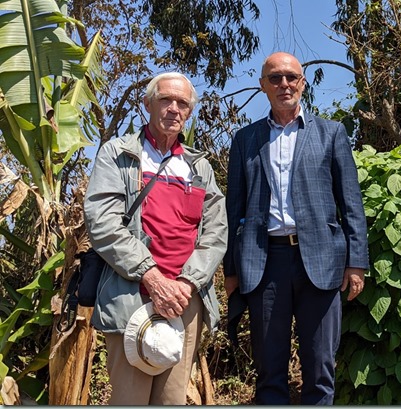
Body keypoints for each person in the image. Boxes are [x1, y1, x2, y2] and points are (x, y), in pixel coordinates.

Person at [223, 52, 369, 405]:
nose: (284, 84)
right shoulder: (245, 140)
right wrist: (231, 269)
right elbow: (234, 209)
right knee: (269, 371)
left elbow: (351, 202)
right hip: (265, 263)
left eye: (291, 77)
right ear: (263, 86)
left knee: (320, 370)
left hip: (321, 263)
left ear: (302, 83)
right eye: (275, 78)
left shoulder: (331, 133)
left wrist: (356, 262)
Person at [83, 72, 227, 405]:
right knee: (129, 400)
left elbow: (216, 231)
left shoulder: (199, 168)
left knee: (172, 400)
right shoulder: (117, 154)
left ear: (189, 112)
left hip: (184, 302)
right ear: (147, 104)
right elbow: (102, 223)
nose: (174, 109)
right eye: (165, 100)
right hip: (131, 294)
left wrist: (187, 285)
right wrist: (154, 278)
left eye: (182, 103)